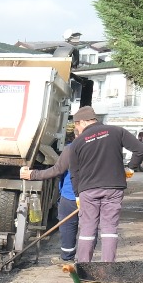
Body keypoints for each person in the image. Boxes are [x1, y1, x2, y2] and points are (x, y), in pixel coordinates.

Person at [21, 106, 143, 264]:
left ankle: (84, 266)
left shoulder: (77, 143)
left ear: (84, 122)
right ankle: (108, 266)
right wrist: (130, 168)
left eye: (77, 124)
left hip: (88, 190)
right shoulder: (117, 131)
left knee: (87, 229)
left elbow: (74, 173)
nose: (77, 129)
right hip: (114, 187)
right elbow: (140, 150)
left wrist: (78, 194)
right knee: (109, 228)